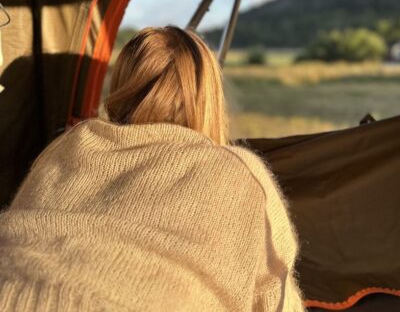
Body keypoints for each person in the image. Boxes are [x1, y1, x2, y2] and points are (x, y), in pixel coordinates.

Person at [0, 26, 306, 311]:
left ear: (121, 83)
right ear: (209, 95)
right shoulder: (239, 173)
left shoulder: (66, 147)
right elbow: (277, 299)